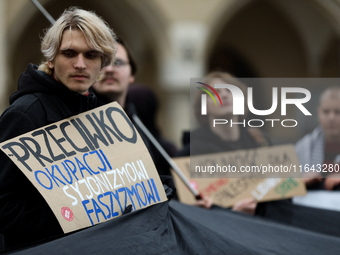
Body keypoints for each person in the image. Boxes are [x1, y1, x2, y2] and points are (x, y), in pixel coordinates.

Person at [0, 7, 117, 250]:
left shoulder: (101, 115)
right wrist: (78, 213)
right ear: (51, 59)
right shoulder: (25, 115)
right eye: (69, 53)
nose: (80, 64)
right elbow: (5, 209)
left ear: (102, 64)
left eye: (92, 55)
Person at [177, 71, 270, 214]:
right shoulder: (190, 155)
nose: (225, 95)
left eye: (230, 91)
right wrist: (233, 213)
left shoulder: (261, 141)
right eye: (215, 93)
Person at [295, 86, 340, 190]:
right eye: (326, 111)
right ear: (318, 112)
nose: (331, 118)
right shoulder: (303, 146)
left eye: (338, 112)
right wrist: (302, 180)